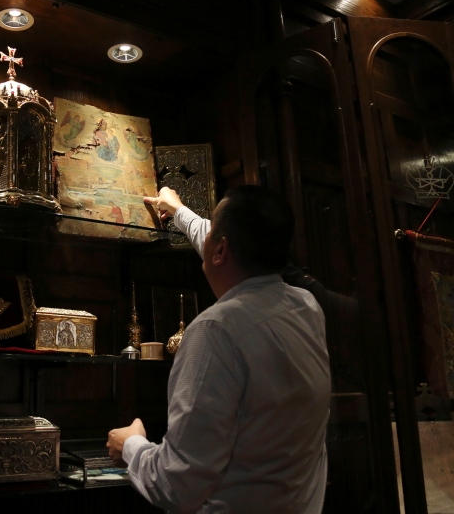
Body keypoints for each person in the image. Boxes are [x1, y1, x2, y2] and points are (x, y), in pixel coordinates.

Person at [106, 186, 331, 514]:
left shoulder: (216, 331)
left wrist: (131, 445)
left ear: (222, 250)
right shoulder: (306, 307)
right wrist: (179, 211)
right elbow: (216, 243)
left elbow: (175, 485)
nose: (207, 233)